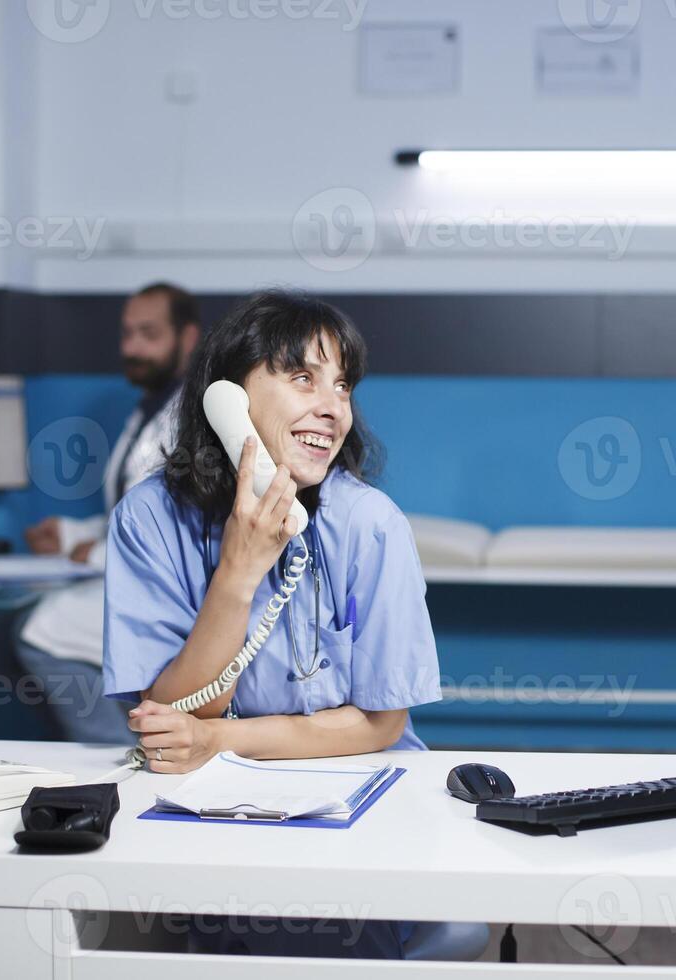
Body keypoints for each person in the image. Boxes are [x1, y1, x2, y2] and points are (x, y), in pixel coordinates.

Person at [104, 290, 441, 958]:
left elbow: (381, 724)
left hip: (357, 802)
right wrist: (238, 572)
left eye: (342, 384)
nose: (331, 405)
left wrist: (218, 738)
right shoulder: (147, 521)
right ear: (227, 399)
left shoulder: (371, 526)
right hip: (207, 808)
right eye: (302, 377)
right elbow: (164, 723)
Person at [13, 282, 200, 743]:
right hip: (131, 581)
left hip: (171, 597)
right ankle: (125, 749)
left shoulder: (194, 421)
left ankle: (113, 756)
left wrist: (92, 554)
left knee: (40, 630)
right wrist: (71, 532)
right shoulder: (148, 411)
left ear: (188, 338)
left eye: (148, 334)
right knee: (36, 622)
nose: (132, 347)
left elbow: (175, 535)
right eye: (127, 333)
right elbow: (132, 512)